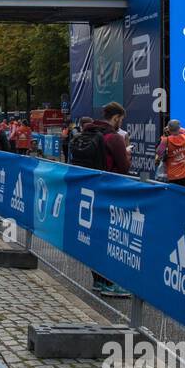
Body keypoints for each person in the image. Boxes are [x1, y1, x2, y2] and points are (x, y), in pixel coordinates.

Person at [71, 103, 132, 297]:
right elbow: (123, 168)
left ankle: (98, 280)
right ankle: (108, 283)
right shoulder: (113, 138)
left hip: (88, 191)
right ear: (116, 118)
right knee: (108, 237)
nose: (120, 123)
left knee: (93, 235)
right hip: (108, 191)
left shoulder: (87, 134)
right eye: (121, 120)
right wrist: (128, 153)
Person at [156, 120, 185, 187]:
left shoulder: (166, 140)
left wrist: (164, 136)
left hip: (171, 175)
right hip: (183, 174)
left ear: (169, 129)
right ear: (179, 128)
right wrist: (178, 128)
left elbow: (159, 152)